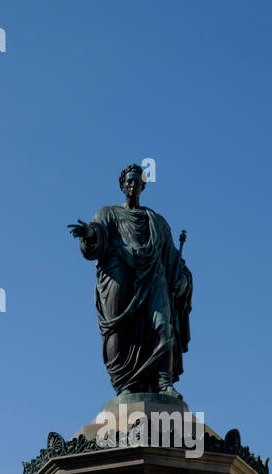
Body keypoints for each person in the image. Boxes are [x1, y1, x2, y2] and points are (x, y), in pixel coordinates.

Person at [68, 164, 193, 398]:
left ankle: (164, 383)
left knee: (164, 327)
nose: (133, 185)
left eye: (138, 181)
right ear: (122, 185)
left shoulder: (157, 222)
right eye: (129, 181)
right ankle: (124, 382)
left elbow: (175, 261)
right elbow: (98, 236)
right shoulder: (108, 214)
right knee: (118, 331)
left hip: (154, 280)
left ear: (143, 186)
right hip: (121, 278)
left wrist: (183, 281)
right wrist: (90, 235)